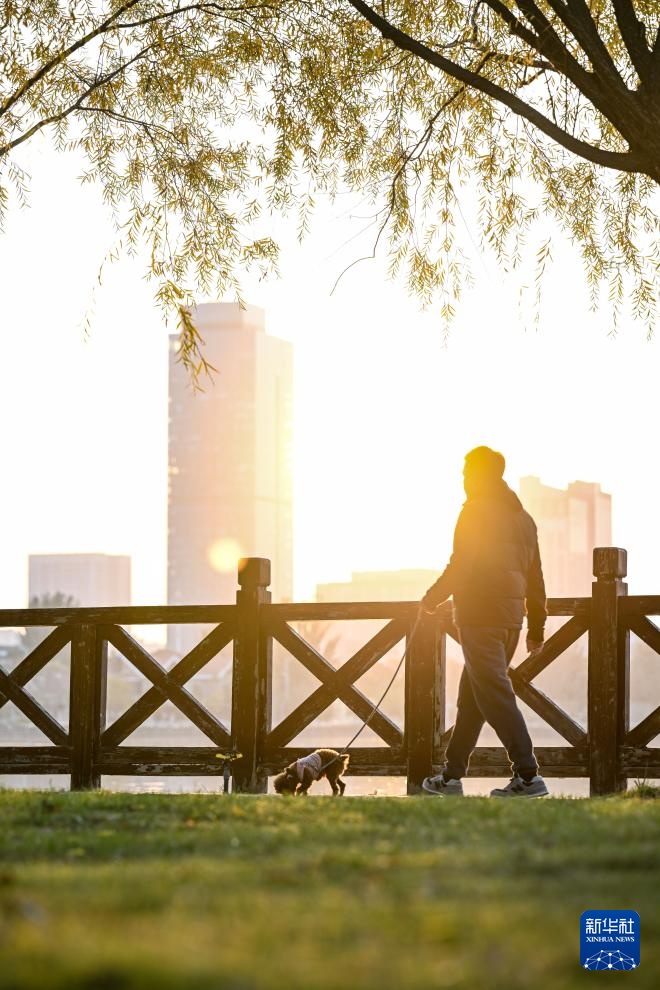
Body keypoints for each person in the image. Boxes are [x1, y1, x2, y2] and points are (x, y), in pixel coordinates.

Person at [420, 446, 549, 798]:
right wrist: (536, 628)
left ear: (478, 475)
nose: (462, 478)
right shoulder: (524, 520)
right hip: (511, 623)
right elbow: (536, 578)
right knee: (473, 699)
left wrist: (431, 598)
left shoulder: (475, 511)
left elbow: (460, 565)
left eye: (466, 472)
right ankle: (451, 777)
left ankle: (528, 776)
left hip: (480, 618)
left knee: (494, 695)